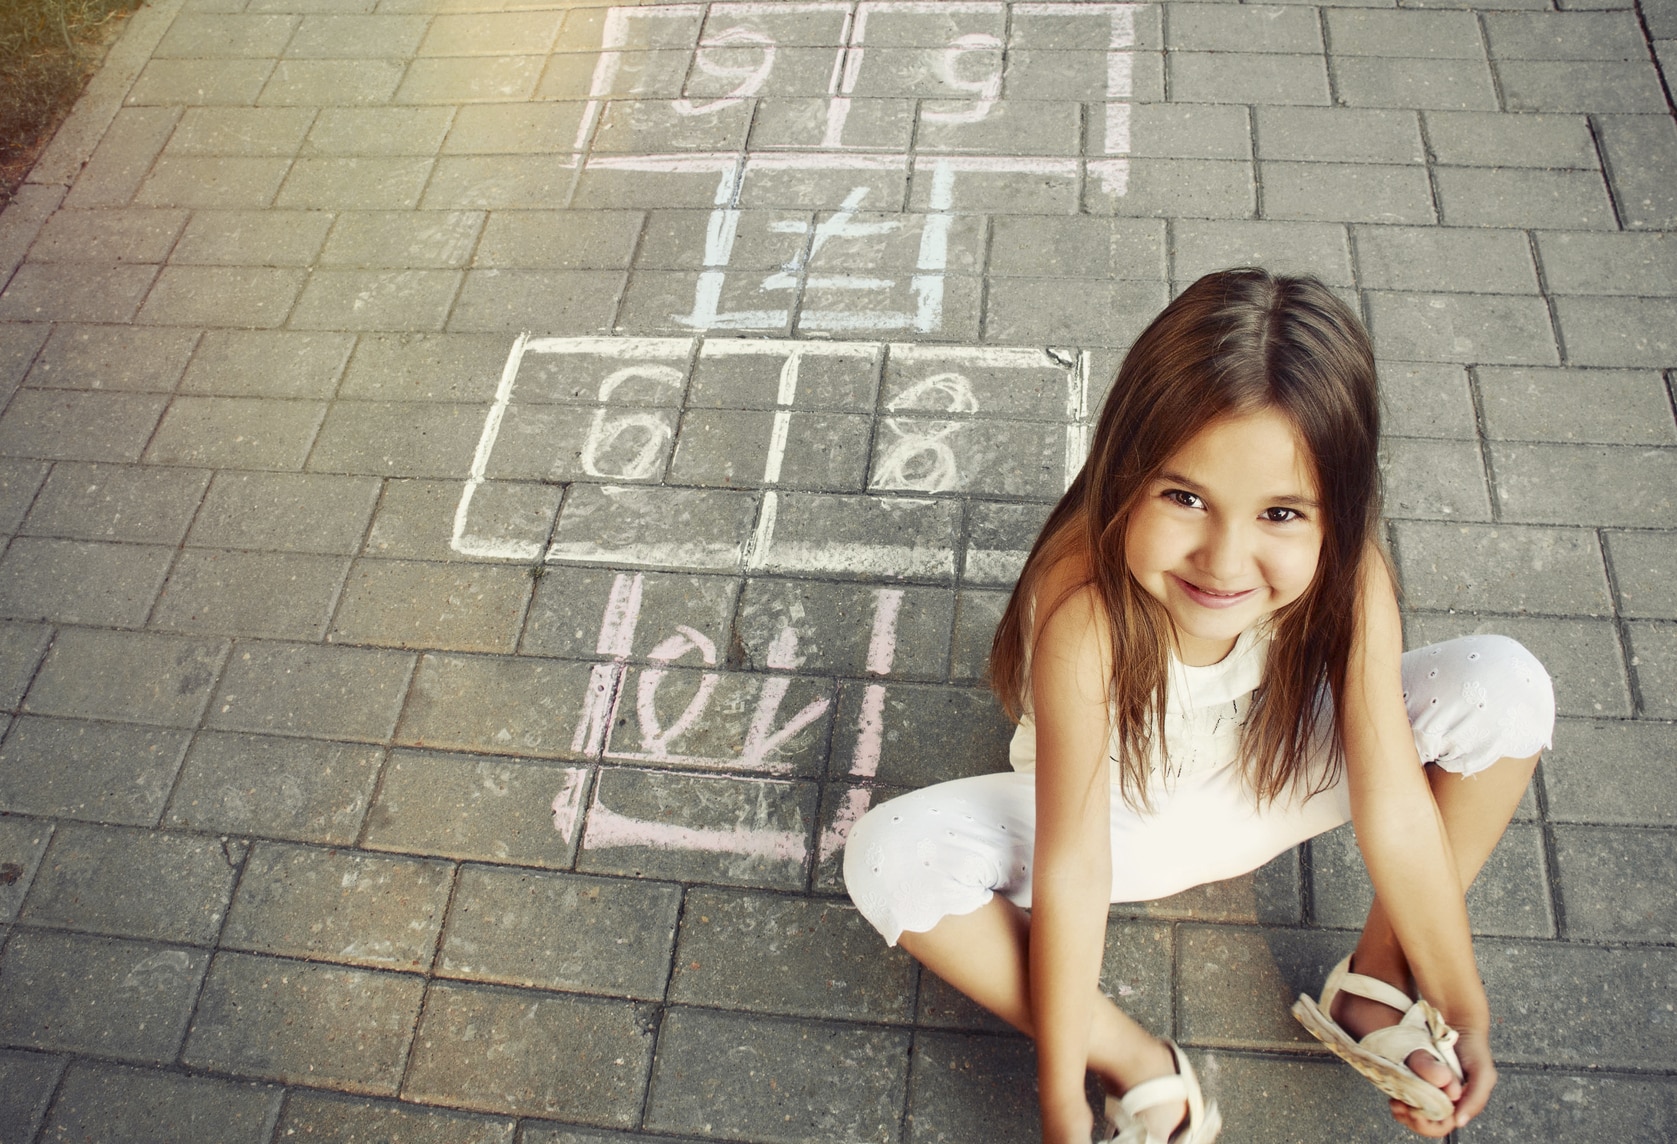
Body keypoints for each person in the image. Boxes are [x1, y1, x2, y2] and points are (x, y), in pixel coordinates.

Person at [843, 269, 1554, 1144]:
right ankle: (1139, 1064)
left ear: (1336, 510)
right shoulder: (1085, 608)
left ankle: (1375, 986)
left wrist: (1463, 1007)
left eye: (1281, 513)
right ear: (1124, 473)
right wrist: (1064, 1097)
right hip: (1123, 823)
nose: (1223, 560)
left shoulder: (1351, 570)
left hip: (1269, 772)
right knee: (888, 854)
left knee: (1505, 682)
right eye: (1185, 498)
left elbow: (1394, 802)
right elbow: (1074, 868)